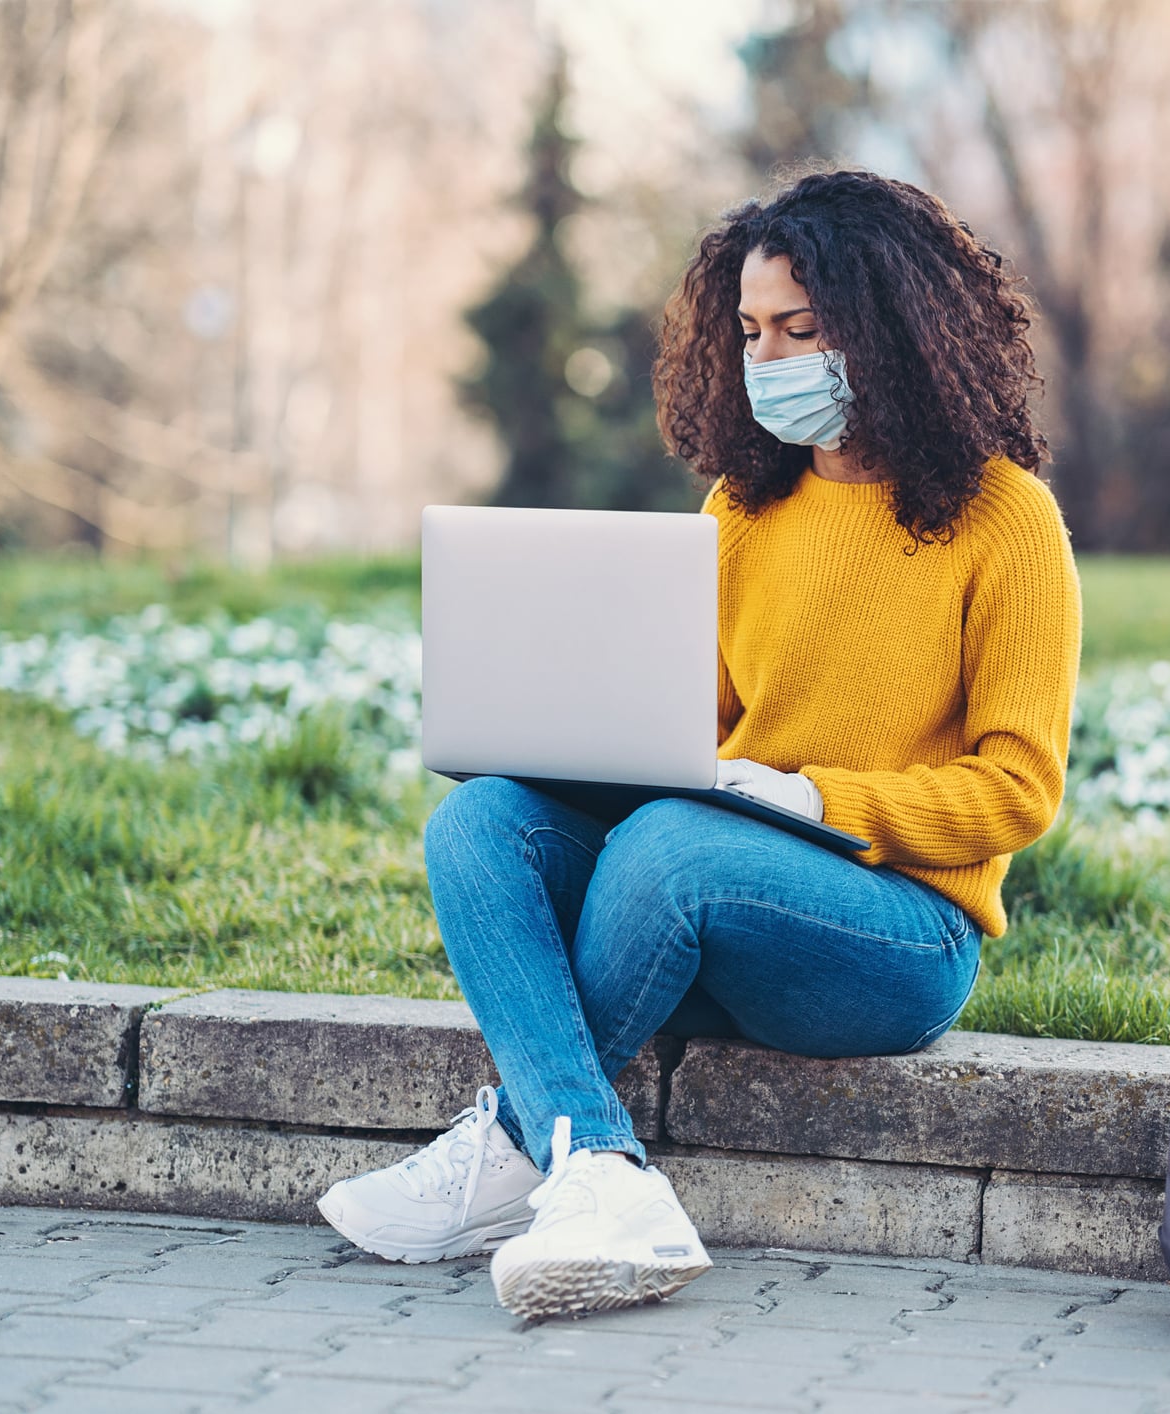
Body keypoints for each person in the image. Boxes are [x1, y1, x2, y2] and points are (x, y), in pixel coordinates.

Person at [317, 169, 1083, 1320]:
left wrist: (812, 799)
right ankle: (603, 1175)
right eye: (752, 330)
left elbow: (1018, 792)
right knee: (482, 822)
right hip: (705, 887)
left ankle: (522, 1148)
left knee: (675, 845)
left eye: (802, 331)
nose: (770, 358)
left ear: (889, 330)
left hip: (895, 934)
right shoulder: (742, 506)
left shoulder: (1004, 516)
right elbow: (692, 734)